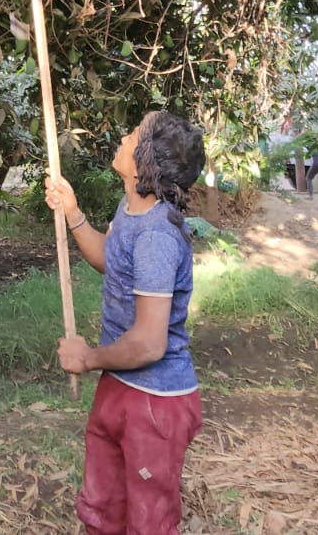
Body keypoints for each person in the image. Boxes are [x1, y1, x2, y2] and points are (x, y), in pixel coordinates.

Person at [44, 111, 207, 535]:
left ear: (146, 160)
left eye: (133, 133)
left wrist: (88, 358)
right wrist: (73, 212)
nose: (122, 135)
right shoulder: (132, 210)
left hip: (154, 402)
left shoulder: (157, 236)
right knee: (103, 509)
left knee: (148, 523)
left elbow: (150, 343)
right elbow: (111, 262)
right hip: (122, 384)